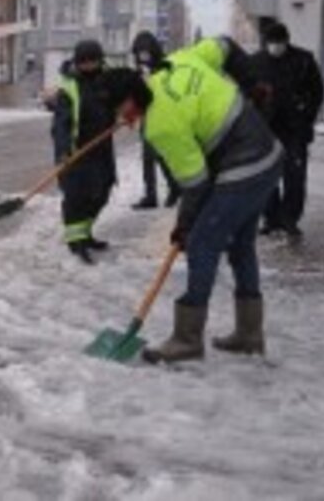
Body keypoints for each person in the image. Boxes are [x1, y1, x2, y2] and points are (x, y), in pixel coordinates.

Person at [95, 50, 284, 364]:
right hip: (269, 155)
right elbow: (223, 46)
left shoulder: (160, 125)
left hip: (243, 166)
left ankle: (187, 339)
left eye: (119, 108)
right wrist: (253, 85)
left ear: (131, 98)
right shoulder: (177, 61)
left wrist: (184, 227)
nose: (119, 116)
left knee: (201, 244)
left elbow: (195, 183)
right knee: (240, 246)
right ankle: (249, 334)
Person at [44, 40, 116, 265]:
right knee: (77, 199)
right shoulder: (69, 88)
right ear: (77, 62)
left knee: (102, 192)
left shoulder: (109, 80)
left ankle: (85, 233)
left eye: (93, 61)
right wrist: (64, 151)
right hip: (77, 152)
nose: (88, 66)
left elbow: (123, 102)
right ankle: (76, 242)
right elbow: (61, 125)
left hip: (102, 149)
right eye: (84, 62)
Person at [251, 23, 324, 240]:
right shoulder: (256, 62)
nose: (276, 47)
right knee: (266, 177)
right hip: (266, 130)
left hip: (295, 130)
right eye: (272, 43)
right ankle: (271, 218)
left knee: (295, 177)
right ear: (266, 42)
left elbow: (317, 91)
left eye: (280, 42)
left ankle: (289, 219)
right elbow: (246, 93)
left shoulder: (303, 60)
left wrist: (306, 116)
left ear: (287, 40)